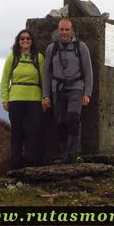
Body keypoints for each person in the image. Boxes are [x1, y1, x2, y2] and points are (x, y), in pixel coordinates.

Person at [42, 18, 93, 164]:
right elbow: (46, 73)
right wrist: (45, 95)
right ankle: (64, 154)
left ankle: (76, 153)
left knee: (73, 119)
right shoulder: (51, 49)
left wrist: (87, 93)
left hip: (76, 88)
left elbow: (88, 72)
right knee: (61, 123)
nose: (64, 32)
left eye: (67, 30)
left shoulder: (81, 47)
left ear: (72, 30)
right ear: (58, 31)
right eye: (61, 30)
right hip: (57, 90)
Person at [1, 29, 45, 170]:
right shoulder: (12, 57)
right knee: (17, 132)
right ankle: (16, 164)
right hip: (15, 99)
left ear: (32, 41)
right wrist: (5, 99)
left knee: (36, 131)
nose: (25, 41)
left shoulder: (39, 58)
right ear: (18, 42)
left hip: (35, 98)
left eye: (28, 39)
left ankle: (36, 162)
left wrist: (45, 98)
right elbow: (4, 80)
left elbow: (44, 79)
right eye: (22, 39)